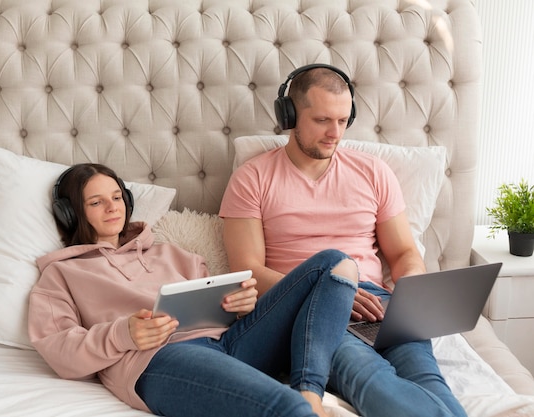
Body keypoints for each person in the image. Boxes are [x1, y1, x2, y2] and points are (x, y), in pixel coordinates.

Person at [219, 64, 467, 417]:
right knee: (371, 379)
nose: (334, 133)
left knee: (429, 380)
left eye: (342, 120)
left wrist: (410, 294)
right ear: (289, 115)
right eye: (322, 120)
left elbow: (403, 252)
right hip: (313, 311)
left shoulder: (373, 171)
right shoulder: (252, 179)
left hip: (379, 303)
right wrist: (332, 292)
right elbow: (247, 271)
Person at [28, 163, 359, 417]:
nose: (113, 207)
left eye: (117, 197)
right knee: (285, 409)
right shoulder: (61, 274)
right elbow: (60, 353)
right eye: (97, 202)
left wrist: (240, 306)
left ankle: (311, 392)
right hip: (161, 360)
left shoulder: (172, 253)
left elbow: (213, 307)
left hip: (232, 342)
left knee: (334, 264)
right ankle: (304, 406)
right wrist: (123, 334)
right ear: (70, 214)